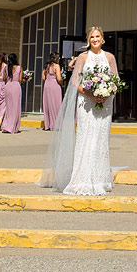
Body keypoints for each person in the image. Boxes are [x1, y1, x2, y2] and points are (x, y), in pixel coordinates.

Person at [38, 26, 118, 195]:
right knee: (86, 139)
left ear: (102, 38)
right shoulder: (82, 57)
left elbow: (115, 79)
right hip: (86, 104)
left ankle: (101, 179)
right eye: (92, 37)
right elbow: (74, 81)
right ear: (88, 40)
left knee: (100, 140)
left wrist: (106, 93)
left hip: (104, 104)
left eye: (97, 36)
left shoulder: (110, 57)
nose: (95, 39)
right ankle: (82, 179)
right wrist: (90, 94)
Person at [0, 53, 23, 134]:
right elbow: (20, 79)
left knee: (8, 106)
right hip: (16, 86)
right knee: (15, 107)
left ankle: (6, 125)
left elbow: (5, 78)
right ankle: (13, 126)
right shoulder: (19, 68)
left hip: (8, 86)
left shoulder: (6, 68)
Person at [41, 52, 63, 131]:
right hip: (54, 85)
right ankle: (55, 124)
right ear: (55, 58)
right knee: (56, 104)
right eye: (58, 57)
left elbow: (43, 78)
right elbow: (59, 78)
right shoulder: (56, 66)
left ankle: (48, 124)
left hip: (47, 85)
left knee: (48, 104)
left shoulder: (46, 66)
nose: (59, 58)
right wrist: (61, 81)